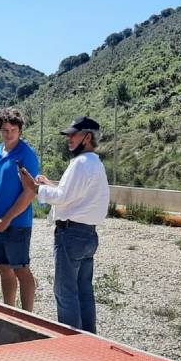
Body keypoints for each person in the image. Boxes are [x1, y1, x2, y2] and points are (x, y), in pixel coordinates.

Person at [19, 116, 110, 333]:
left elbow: (62, 197)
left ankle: (72, 340)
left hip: (71, 234)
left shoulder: (80, 163)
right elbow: (73, 195)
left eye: (73, 134)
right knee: (84, 289)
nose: (68, 138)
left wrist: (35, 187)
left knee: (65, 290)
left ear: (86, 137)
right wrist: (50, 185)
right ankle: (89, 338)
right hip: (88, 234)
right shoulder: (95, 163)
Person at [0, 107, 39, 311]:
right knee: (3, 269)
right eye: (5, 130)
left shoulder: (26, 155)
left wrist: (7, 219)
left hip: (17, 224)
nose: (9, 134)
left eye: (13, 130)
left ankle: (28, 317)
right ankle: (10, 312)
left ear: (20, 130)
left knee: (21, 270)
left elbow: (29, 192)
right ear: (0, 130)